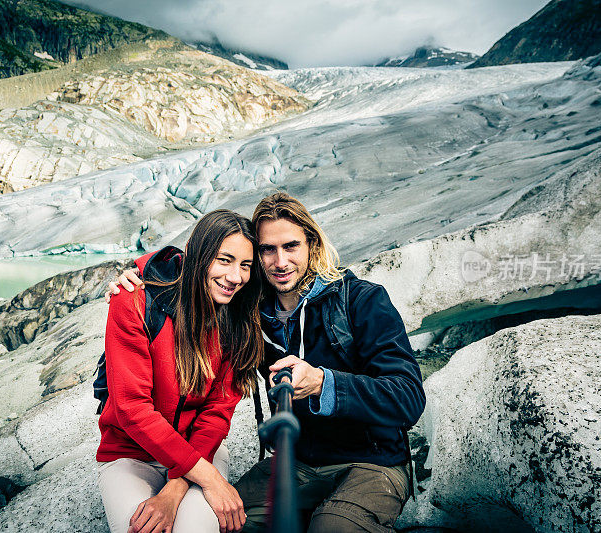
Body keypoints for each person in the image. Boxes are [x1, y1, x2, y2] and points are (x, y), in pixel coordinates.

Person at [110, 192, 425, 532]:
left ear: (311, 245)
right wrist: (137, 271)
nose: (280, 261)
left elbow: (408, 398)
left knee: (334, 528)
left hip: (372, 463)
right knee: (226, 521)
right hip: (299, 462)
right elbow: (198, 264)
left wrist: (323, 383)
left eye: (291, 246)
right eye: (267, 250)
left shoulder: (361, 300)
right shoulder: (250, 315)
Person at [97, 209, 263, 533]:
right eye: (224, 260)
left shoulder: (237, 319)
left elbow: (216, 414)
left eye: (245, 265)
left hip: (201, 448)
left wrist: (176, 488)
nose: (235, 277)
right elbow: (132, 409)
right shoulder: (135, 300)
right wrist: (209, 478)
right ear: (198, 253)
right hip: (131, 455)